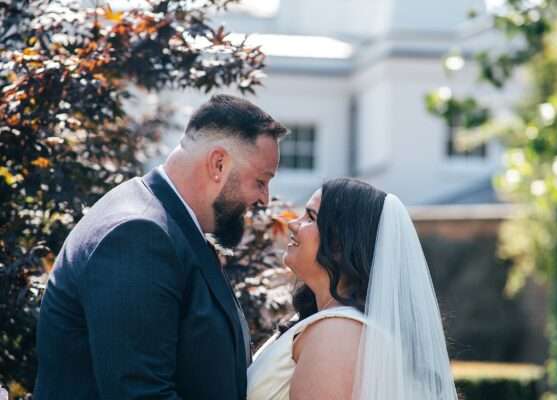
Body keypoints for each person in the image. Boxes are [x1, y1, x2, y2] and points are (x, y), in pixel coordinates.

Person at [34, 94, 287, 399]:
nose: (265, 199)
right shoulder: (137, 235)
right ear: (218, 163)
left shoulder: (170, 226)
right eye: (260, 181)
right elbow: (141, 393)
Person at [247, 178, 458, 400]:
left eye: (310, 217)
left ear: (341, 243)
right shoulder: (328, 323)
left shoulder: (337, 334)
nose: (293, 224)